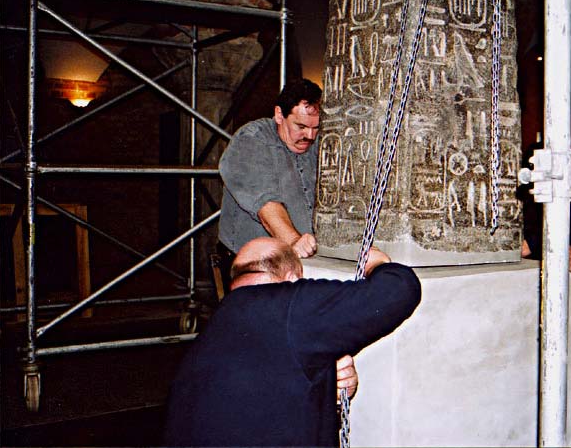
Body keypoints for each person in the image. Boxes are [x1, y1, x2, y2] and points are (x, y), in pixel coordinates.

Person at [163, 238, 421, 447]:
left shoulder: (222, 321)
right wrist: (377, 265)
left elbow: (258, 400)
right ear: (293, 278)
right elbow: (399, 290)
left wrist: (326, 380)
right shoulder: (287, 302)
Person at [217, 78, 323, 292]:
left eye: (316, 127)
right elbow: (267, 207)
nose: (309, 136)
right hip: (251, 266)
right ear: (279, 115)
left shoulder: (316, 143)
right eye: (300, 126)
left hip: (296, 265)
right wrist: (294, 241)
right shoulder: (252, 140)